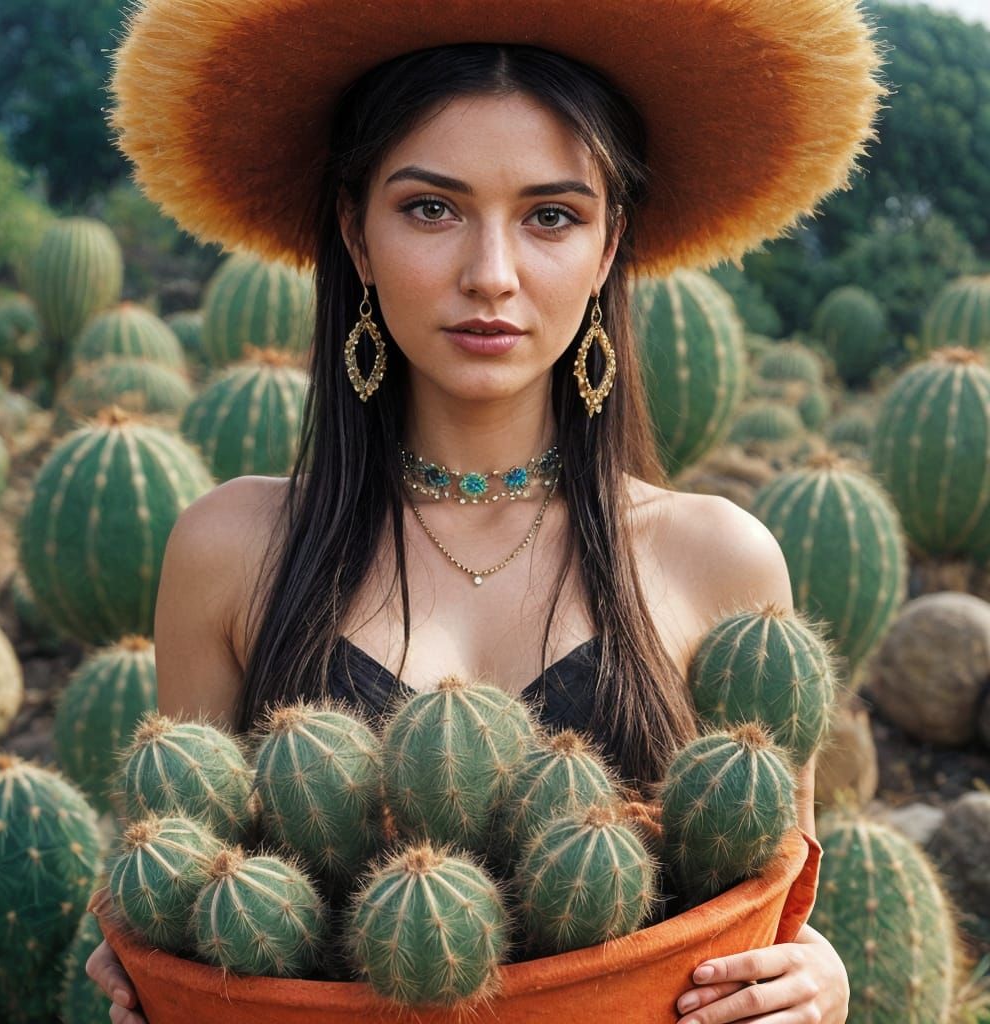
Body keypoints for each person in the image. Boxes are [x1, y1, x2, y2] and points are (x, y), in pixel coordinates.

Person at [88, 2, 887, 1020]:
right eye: (431, 207)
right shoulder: (231, 547)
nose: (491, 275)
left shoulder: (716, 559)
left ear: (608, 250)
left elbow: (771, 900)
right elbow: (181, 877)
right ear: (355, 233)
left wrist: (813, 975)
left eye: (551, 215)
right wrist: (150, 964)